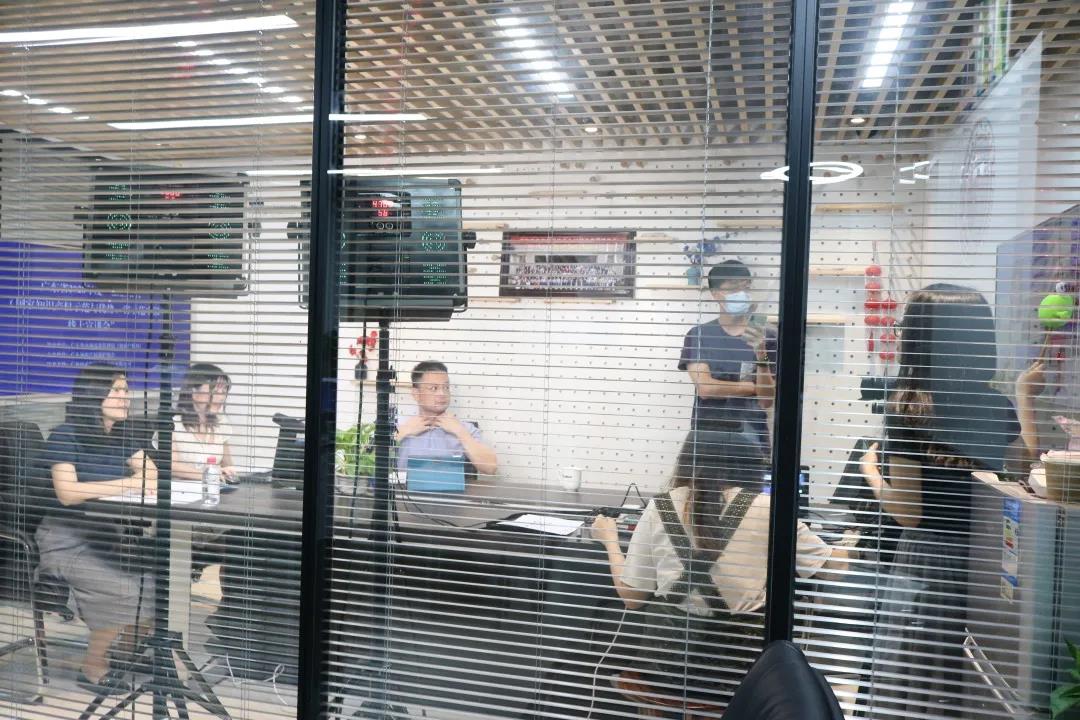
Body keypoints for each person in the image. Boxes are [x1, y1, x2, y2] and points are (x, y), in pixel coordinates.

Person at [859, 284, 1020, 718]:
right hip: (989, 561)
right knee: (976, 678)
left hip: (931, 563)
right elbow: (1020, 473)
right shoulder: (997, 405)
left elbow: (908, 514)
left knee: (919, 681)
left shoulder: (910, 406)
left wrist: (869, 469)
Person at [590, 431, 846, 698]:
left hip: (667, 671)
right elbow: (835, 570)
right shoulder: (770, 508)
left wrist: (609, 539)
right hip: (745, 675)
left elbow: (632, 597)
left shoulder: (661, 506)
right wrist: (850, 546)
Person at [35, 364, 157, 693]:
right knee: (126, 589)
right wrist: (126, 483)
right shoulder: (66, 435)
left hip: (106, 534)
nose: (125, 397)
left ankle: (124, 653)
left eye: (126, 390)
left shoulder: (122, 435)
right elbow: (68, 493)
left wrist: (128, 482)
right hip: (65, 540)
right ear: (93, 395)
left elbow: (151, 475)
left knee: (156, 582)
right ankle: (92, 665)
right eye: (116, 390)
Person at [678, 260, 777, 454]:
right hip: (708, 436)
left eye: (746, 287)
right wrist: (752, 388)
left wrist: (761, 354)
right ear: (716, 294)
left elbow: (766, 400)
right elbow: (706, 389)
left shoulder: (766, 336)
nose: (741, 293)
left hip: (751, 436)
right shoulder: (699, 335)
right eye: (733, 288)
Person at [395, 360, 497, 476]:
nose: (442, 393)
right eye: (434, 388)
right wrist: (402, 433)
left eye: (446, 387)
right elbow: (376, 465)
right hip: (407, 488)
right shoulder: (399, 427)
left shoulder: (465, 429)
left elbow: (490, 468)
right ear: (416, 394)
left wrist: (461, 433)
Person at [172, 363, 237, 482]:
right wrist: (208, 475)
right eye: (215, 391)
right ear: (193, 392)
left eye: (224, 391)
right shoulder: (173, 425)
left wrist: (229, 473)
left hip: (214, 489)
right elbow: (172, 466)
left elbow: (228, 466)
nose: (221, 397)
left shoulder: (221, 424)